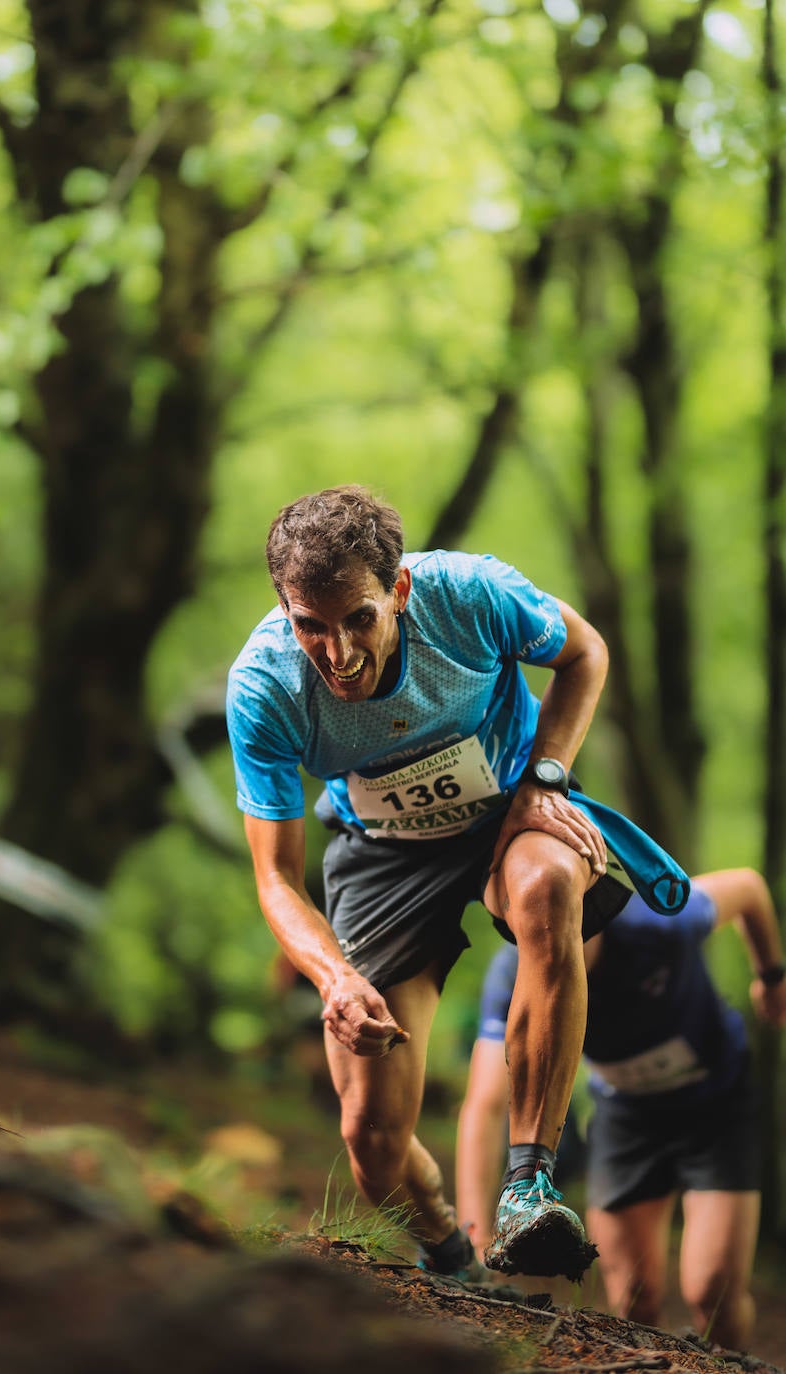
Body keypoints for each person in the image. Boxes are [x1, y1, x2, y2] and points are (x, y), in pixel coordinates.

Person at [225, 485, 688, 1281]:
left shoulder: (468, 595)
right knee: (370, 1140)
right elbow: (274, 878)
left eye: (358, 619)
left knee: (547, 883)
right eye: (310, 626)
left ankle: (528, 1185)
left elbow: (585, 652)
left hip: (509, 811)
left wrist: (546, 777)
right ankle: (447, 1245)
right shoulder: (264, 688)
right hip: (382, 853)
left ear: (397, 591)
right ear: (284, 609)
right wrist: (332, 977)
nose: (336, 653)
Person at [455, 869, 786, 1350]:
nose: (551, 951)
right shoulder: (515, 973)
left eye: (565, 930)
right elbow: (485, 1105)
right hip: (624, 1114)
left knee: (711, 1290)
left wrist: (772, 977)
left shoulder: (660, 919)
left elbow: (751, 888)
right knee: (633, 1296)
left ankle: (733, 1362)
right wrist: (474, 1229)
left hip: (715, 1105)